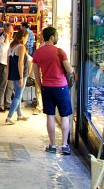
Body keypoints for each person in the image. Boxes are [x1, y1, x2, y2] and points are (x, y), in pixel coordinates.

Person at [32, 27, 74, 155]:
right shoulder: (60, 52)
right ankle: (65, 145)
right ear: (51, 37)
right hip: (61, 87)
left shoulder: (38, 53)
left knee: (50, 116)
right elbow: (69, 70)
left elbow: (36, 74)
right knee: (64, 115)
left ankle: (52, 145)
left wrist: (41, 86)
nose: (58, 37)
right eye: (57, 35)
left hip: (47, 87)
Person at [5, 29, 30, 124]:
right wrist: (21, 78)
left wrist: (7, 76)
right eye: (27, 37)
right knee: (18, 96)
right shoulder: (21, 47)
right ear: (23, 37)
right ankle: (9, 116)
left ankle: (19, 114)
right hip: (21, 74)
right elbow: (21, 63)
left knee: (17, 95)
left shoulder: (11, 46)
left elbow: (8, 63)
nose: (27, 39)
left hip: (13, 74)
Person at [0, 24, 14, 112]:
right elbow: (2, 52)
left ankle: (7, 103)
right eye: (10, 32)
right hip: (3, 64)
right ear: (5, 31)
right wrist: (6, 40)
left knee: (10, 85)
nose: (11, 34)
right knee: (2, 85)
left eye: (12, 32)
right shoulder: (0, 40)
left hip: (9, 64)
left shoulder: (10, 40)